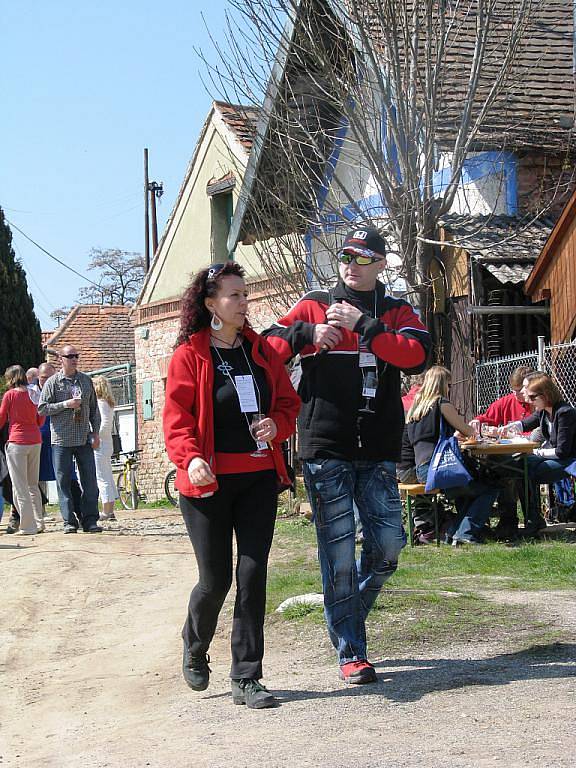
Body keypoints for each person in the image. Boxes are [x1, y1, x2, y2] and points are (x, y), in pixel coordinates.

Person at [262, 226, 430, 684]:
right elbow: (266, 350)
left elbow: (417, 355)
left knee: (389, 548)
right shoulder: (315, 302)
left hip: (377, 448)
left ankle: (344, 611)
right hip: (325, 446)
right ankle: (351, 649)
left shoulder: (395, 311)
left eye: (361, 257)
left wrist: (367, 329)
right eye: (345, 255)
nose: (350, 264)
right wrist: (308, 334)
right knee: (336, 553)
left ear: (380, 264)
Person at [163, 262, 300, 710]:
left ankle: (247, 675)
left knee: (253, 573)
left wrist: (277, 426)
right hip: (207, 484)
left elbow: (287, 402)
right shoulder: (190, 355)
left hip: (259, 477)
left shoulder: (260, 352)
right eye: (234, 295)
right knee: (216, 578)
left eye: (245, 295)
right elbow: (177, 418)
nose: (244, 303)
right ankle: (195, 640)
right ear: (210, 304)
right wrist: (192, 457)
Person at [406, 366, 500, 545]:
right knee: (488, 489)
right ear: (442, 384)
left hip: (423, 470)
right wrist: (481, 432)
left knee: (466, 491)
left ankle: (454, 532)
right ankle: (464, 533)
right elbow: (467, 430)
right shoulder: (441, 403)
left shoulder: (416, 409)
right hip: (440, 469)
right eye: (449, 385)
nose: (450, 388)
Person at [38, 345, 102, 533]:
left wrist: (96, 432)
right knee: (63, 482)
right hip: (61, 441)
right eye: (70, 356)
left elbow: (94, 410)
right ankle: (69, 521)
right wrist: (66, 404)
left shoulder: (85, 380)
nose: (74, 359)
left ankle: (90, 520)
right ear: (61, 359)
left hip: (83, 439)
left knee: (90, 481)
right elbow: (42, 409)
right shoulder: (53, 382)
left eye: (76, 356)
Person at [502, 372, 576, 537]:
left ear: (546, 395)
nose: (529, 400)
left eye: (533, 397)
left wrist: (535, 451)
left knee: (525, 470)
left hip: (569, 461)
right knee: (518, 465)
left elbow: (562, 451)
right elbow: (526, 423)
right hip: (552, 456)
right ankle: (528, 519)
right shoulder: (544, 411)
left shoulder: (564, 413)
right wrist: (508, 428)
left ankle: (533, 520)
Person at [470, 365, 535, 541]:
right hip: (511, 453)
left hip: (532, 452)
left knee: (510, 468)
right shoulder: (507, 401)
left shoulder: (536, 403)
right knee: (497, 464)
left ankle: (512, 519)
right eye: (513, 390)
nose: (516, 395)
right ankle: (507, 519)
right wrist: (478, 420)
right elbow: (487, 416)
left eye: (519, 391)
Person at [0, 365, 45, 534]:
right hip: (35, 440)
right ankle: (39, 522)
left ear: (10, 378)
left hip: (17, 442)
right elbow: (41, 420)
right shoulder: (34, 393)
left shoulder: (10, 395)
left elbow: (2, 418)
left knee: (20, 486)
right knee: (33, 484)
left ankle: (27, 526)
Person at [92, 376, 118, 521]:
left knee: (102, 477)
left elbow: (104, 425)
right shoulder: (108, 403)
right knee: (107, 475)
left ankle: (106, 510)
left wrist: (94, 435)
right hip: (106, 443)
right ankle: (110, 509)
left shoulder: (100, 403)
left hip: (100, 443)